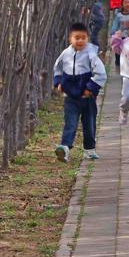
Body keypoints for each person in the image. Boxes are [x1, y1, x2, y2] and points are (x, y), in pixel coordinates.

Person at [52, 21, 108, 162]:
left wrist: (90, 88)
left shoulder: (91, 54)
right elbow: (57, 68)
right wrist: (58, 82)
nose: (80, 40)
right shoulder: (65, 54)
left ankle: (89, 149)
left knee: (89, 123)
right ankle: (64, 148)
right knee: (70, 122)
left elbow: (101, 74)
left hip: (87, 97)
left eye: (83, 37)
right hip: (71, 96)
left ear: (87, 39)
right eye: (77, 37)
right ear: (70, 39)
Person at [107, 0, 129, 73]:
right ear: (122, 5)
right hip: (121, 38)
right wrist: (114, 33)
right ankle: (118, 63)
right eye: (125, 2)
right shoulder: (119, 16)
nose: (127, 4)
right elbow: (114, 26)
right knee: (119, 52)